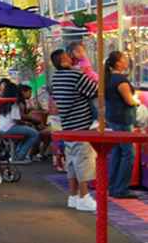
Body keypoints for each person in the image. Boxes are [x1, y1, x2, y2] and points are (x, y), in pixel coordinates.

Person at [49, 49, 98, 212]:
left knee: (72, 162)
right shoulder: (75, 76)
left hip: (68, 124)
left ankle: (73, 195)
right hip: (83, 125)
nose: (71, 58)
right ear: (63, 60)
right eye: (68, 57)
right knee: (83, 161)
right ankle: (84, 197)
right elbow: (96, 90)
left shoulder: (55, 78)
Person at [105, 51, 140, 198]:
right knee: (128, 154)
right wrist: (136, 101)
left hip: (113, 118)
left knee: (117, 152)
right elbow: (129, 100)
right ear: (118, 63)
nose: (127, 60)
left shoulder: (108, 78)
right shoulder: (121, 80)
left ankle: (113, 186)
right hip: (123, 120)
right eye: (124, 58)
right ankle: (121, 189)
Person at [0, 83, 39, 164]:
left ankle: (17, 154)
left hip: (1, 128)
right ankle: (20, 155)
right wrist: (26, 123)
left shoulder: (4, 101)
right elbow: (17, 120)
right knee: (34, 133)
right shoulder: (14, 102)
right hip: (9, 128)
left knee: (27, 132)